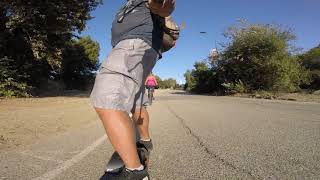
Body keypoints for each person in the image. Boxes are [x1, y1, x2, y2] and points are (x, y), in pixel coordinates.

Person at [90, 0, 176, 179]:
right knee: (136, 100)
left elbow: (163, 5)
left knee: (107, 97)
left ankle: (135, 172)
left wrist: (160, 6)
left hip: (133, 46)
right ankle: (145, 142)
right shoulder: (131, 5)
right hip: (142, 49)